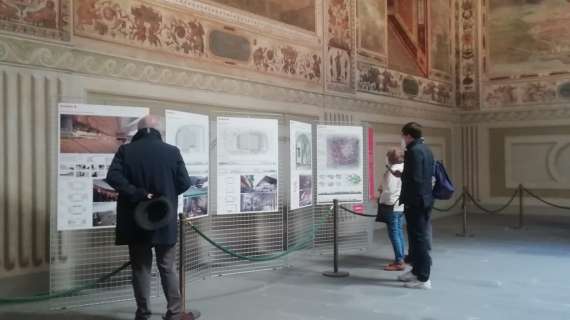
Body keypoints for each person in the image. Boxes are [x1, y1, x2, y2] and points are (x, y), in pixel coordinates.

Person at [106, 115, 193, 320]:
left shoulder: (126, 151)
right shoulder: (172, 152)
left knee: (140, 269)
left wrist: (138, 193)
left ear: (138, 130)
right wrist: (167, 195)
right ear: (159, 131)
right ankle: (173, 313)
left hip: (136, 220)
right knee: (168, 267)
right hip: (164, 217)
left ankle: (143, 313)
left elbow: (113, 177)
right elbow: (185, 182)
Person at [396, 122, 434, 289]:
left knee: (419, 240)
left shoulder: (413, 151)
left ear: (408, 135)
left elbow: (416, 178)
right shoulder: (426, 149)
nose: (402, 139)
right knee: (415, 238)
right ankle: (416, 271)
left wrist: (403, 177)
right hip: (425, 199)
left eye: (403, 135)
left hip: (416, 201)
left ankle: (424, 278)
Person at [378, 148, 406, 271]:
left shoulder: (393, 171)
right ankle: (401, 257)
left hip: (392, 205)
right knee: (399, 232)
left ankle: (399, 261)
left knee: (394, 233)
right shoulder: (404, 167)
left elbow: (389, 190)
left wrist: (381, 192)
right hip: (400, 205)